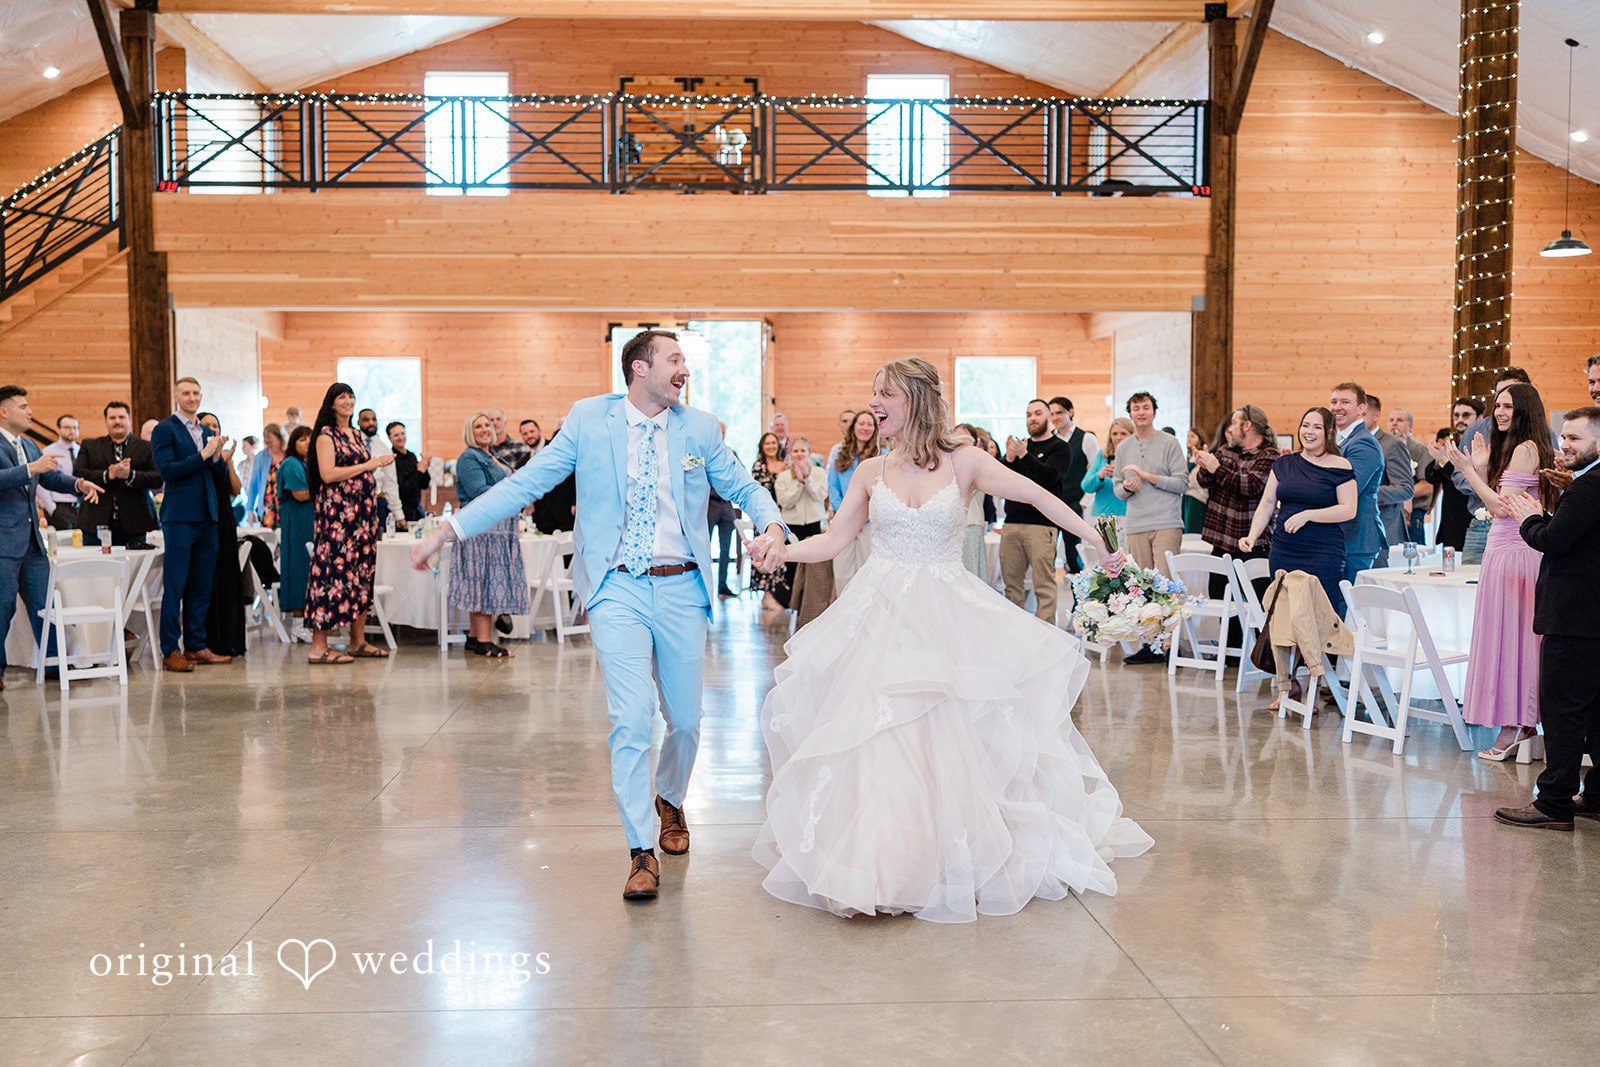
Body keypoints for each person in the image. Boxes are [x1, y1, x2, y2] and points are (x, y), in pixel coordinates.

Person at [749, 357, 1151, 922]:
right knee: (881, 734)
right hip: (880, 615)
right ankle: (879, 863)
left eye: (883, 393)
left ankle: (955, 854)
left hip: (946, 614)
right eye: (872, 393)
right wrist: (782, 551)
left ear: (913, 397)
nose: (874, 403)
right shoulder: (870, 472)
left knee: (951, 732)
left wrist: (1097, 538)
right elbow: (834, 540)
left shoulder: (965, 462)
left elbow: (1038, 497)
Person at [408, 328, 787, 902]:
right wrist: (450, 529)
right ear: (640, 368)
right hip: (617, 588)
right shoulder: (588, 420)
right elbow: (527, 484)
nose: (685, 369)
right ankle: (640, 849)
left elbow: (741, 485)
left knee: (685, 723)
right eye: (675, 359)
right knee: (631, 720)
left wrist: (773, 525)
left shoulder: (699, 428)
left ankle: (670, 796)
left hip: (681, 586)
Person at [1495, 406, 1600, 831]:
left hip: (1574, 618)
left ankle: (1553, 802)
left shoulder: (1590, 486)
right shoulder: (1585, 484)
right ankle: (1595, 794)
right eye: (1564, 436)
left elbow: (1551, 541)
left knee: (1562, 712)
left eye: (1575, 438)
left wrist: (1529, 518)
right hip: (1591, 616)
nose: (1564, 445)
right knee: (1594, 713)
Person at [1437, 383, 1554, 761]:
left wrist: (1470, 471)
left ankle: (1518, 723)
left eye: (1507, 406)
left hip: (1515, 552)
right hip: (1504, 549)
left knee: (1516, 639)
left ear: (1524, 410)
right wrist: (1484, 468)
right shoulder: (1520, 448)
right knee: (1510, 637)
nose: (1499, 413)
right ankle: (1520, 720)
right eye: (1496, 405)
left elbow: (1503, 508)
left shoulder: (1525, 449)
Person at [0, 386, 103, 691]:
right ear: (4, 412)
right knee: (2, 607)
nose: (30, 412)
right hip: (4, 542)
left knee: (46, 605)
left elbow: (51, 476)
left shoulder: (29, 445)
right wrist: (31, 468)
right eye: (23, 407)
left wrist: (79, 484)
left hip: (33, 542)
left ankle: (56, 662)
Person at [1238, 406, 1357, 617]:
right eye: (1305, 425)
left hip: (1323, 550)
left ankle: (1323, 652)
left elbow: (1349, 510)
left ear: (1329, 432)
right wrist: (1252, 535)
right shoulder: (1284, 463)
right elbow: (1267, 503)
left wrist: (1308, 515)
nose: (1309, 432)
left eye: (1317, 427)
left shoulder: (1341, 465)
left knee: (1321, 614)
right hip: (1284, 549)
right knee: (1284, 614)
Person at [150, 378, 234, 672]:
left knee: (201, 585)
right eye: (185, 393)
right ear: (175, 396)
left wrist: (221, 459)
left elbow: (217, 479)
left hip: (207, 516)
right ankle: (171, 649)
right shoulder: (165, 430)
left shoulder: (208, 431)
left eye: (196, 393)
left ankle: (197, 645)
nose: (192, 397)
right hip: (180, 517)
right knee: (176, 584)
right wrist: (203, 455)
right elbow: (168, 471)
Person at [304, 383, 391, 665]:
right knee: (331, 574)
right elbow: (328, 474)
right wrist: (369, 465)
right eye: (342, 396)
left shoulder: (355, 434)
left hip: (362, 518)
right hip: (337, 517)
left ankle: (358, 641)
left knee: (361, 573)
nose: (348, 400)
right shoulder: (325, 436)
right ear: (331, 403)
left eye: (351, 396)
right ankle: (318, 646)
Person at [1114, 392, 1187, 663]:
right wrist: (1126, 487)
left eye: (1146, 407)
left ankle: (1170, 644)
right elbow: (1118, 490)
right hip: (1136, 524)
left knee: (1165, 584)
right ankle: (1150, 644)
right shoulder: (1123, 448)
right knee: (1141, 587)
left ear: (1154, 412)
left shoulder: (1169, 443)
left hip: (1166, 522)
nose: (1141, 412)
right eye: (1136, 408)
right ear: (1130, 413)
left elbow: (1181, 482)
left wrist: (1149, 477)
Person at [451, 414, 529, 657]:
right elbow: (479, 492)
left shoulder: (490, 455)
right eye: (478, 426)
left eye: (487, 425)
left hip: (495, 531)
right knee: (483, 583)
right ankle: (485, 641)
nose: (484, 429)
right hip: (482, 532)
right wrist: (514, 491)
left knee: (481, 581)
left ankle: (475, 638)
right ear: (469, 431)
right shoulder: (469, 457)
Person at [1000, 398, 1074, 623]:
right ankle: (1015, 635)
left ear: (1049, 416)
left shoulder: (1060, 447)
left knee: (1043, 585)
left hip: (1042, 525)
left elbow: (1049, 477)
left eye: (1038, 413)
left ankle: (1046, 638)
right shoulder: (1022, 446)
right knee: (1012, 586)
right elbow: (1003, 481)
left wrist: (1023, 456)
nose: (1033, 418)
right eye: (1029, 414)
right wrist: (1010, 459)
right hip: (1012, 523)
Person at [1455, 367, 1533, 563]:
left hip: (1522, 530)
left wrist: (1475, 472)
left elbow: (1503, 505)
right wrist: (1481, 473)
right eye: (1499, 401)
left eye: (1510, 401)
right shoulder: (1477, 430)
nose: (1502, 410)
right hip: (1481, 520)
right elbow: (1458, 475)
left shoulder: (1534, 441)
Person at [1196, 405, 1278, 561]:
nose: (1230, 429)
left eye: (1234, 423)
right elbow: (1204, 482)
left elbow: (1251, 485)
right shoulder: (1226, 449)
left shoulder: (1269, 455)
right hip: (1221, 539)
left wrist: (1217, 469)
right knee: (1216, 586)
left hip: (1251, 542)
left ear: (1247, 426)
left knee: (1251, 586)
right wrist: (1205, 467)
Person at [75, 401, 161, 548]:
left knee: (135, 569)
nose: (117, 421)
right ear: (106, 421)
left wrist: (130, 475)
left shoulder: (147, 447)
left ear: (129, 420)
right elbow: (78, 472)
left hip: (135, 521)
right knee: (96, 568)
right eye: (112, 418)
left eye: (121, 417)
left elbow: (158, 478)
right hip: (96, 521)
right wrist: (108, 474)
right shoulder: (90, 445)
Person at [198, 412, 249, 659]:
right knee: (208, 580)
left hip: (225, 519)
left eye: (215, 425)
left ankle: (231, 640)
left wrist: (227, 461)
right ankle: (207, 641)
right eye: (206, 425)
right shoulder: (198, 456)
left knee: (228, 576)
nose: (211, 429)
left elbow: (236, 488)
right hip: (204, 518)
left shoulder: (223, 456)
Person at [1327, 382, 1387, 582]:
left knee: (1349, 605)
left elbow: (1350, 488)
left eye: (1345, 402)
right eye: (1334, 401)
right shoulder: (1338, 439)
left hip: (1356, 538)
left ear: (1361, 408)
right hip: (1341, 537)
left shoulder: (1363, 443)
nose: (1337, 407)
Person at [830, 410, 883, 591]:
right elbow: (833, 489)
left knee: (868, 571)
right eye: (861, 423)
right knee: (842, 572)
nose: (865, 428)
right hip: (843, 521)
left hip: (871, 523)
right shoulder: (839, 454)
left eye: (870, 424)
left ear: (875, 429)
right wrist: (846, 516)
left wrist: (863, 516)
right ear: (854, 427)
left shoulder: (882, 455)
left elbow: (883, 489)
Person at [1425, 398, 1484, 550]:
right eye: (1456, 416)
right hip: (1451, 521)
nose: (1459, 420)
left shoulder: (1483, 447)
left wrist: (1444, 461)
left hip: (1473, 521)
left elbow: (1465, 480)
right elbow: (1431, 477)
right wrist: (1438, 461)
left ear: (1480, 418)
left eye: (1466, 416)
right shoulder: (1453, 444)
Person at [774, 436, 827, 599]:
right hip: (792, 525)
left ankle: (810, 601)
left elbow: (820, 496)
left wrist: (807, 479)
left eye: (803, 450)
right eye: (795, 450)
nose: (799, 454)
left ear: (809, 453)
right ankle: (793, 602)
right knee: (793, 565)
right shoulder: (783, 477)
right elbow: (785, 502)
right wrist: (798, 482)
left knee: (814, 566)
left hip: (813, 524)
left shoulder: (819, 473)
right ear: (790, 454)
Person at [1047, 396, 1096, 573]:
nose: (1055, 417)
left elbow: (1096, 470)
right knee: (1046, 555)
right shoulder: (1049, 440)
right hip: (1050, 503)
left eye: (1059, 412)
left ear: (1070, 412)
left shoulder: (1086, 438)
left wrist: (1084, 502)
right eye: (1051, 414)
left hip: (1075, 504)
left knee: (1074, 555)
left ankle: (1079, 599)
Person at [1364, 394, 1417, 549]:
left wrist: (1366, 494)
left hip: (1383, 524)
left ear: (1376, 416)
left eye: (1363, 414)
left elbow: (1405, 489)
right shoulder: (1343, 442)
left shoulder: (1392, 444)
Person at [277, 427, 315, 638]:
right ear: (293, 443)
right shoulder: (292, 463)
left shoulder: (307, 464)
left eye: (310, 439)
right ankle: (298, 623)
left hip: (308, 518)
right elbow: (300, 495)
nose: (307, 443)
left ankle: (307, 620)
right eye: (302, 440)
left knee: (308, 567)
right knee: (300, 566)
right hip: (298, 519)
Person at [749, 432, 791, 609]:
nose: (771, 446)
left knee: (781, 554)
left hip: (785, 516)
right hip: (766, 517)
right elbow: (761, 491)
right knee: (766, 552)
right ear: (762, 447)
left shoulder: (785, 465)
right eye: (767, 444)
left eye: (774, 443)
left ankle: (777, 594)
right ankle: (766, 595)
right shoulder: (759, 466)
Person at [1387, 408, 1433, 543]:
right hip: (1387, 510)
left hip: (1414, 513)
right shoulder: (1380, 447)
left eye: (1400, 420)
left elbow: (1427, 487)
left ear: (1410, 426)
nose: (1394, 424)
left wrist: (1400, 495)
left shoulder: (1420, 450)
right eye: (1391, 420)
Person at [706, 420, 739, 598]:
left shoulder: (731, 453)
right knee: (705, 547)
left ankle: (723, 584)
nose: (721, 434)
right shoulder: (703, 451)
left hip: (726, 506)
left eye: (723, 432)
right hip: (709, 505)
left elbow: (737, 476)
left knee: (726, 547)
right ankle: (705, 586)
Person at [357, 407, 404, 531]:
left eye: (374, 419)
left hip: (378, 503)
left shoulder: (383, 448)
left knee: (378, 544)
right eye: (366, 420)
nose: (371, 423)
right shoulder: (353, 444)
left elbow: (391, 484)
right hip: (357, 501)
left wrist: (399, 515)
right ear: (358, 423)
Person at [1080, 418, 1133, 520]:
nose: (1118, 437)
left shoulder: (1137, 457)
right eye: (1114, 434)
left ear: (1131, 435)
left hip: (1127, 515)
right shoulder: (1102, 455)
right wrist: (1100, 476)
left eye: (1123, 433)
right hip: (1102, 515)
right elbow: (1086, 486)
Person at [40, 413, 82, 530]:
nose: (72, 431)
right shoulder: (48, 452)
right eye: (67, 427)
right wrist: (51, 508)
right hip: (60, 506)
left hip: (82, 507)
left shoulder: (82, 451)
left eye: (75, 428)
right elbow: (41, 482)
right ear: (57, 429)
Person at [386, 421, 430, 524]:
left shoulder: (412, 456)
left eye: (402, 433)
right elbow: (402, 489)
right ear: (389, 438)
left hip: (417, 510)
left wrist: (425, 468)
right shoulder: (391, 459)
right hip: (402, 512)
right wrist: (419, 471)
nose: (401, 437)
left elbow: (424, 485)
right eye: (396, 435)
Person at [243, 423, 281, 525]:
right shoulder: (261, 457)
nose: (269, 445)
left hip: (284, 505)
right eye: (266, 442)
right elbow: (254, 484)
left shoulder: (287, 455)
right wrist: (250, 509)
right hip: (267, 505)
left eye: (272, 441)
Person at [1183, 427, 1210, 535]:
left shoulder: (1203, 456)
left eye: (1192, 436)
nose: (1189, 439)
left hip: (1197, 497)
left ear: (1200, 439)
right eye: (1188, 436)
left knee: (1193, 530)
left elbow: (1193, 480)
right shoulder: (1188, 457)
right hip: (1186, 497)